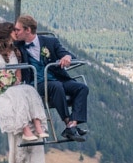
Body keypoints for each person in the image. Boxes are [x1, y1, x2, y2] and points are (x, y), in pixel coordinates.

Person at [14, 14, 89, 142]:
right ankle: (68, 123)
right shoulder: (18, 45)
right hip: (36, 84)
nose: (15, 32)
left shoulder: (50, 42)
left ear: (28, 30)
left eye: (18, 29)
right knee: (56, 87)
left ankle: (73, 124)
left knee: (82, 88)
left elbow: (65, 53)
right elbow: (0, 46)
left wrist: (67, 57)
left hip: (57, 78)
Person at [0, 22, 49, 143]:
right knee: (16, 94)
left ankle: (38, 126)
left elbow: (18, 74)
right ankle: (25, 129)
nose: (16, 33)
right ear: (7, 33)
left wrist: (14, 81)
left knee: (30, 90)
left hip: (11, 85)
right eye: (14, 30)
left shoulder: (15, 51)